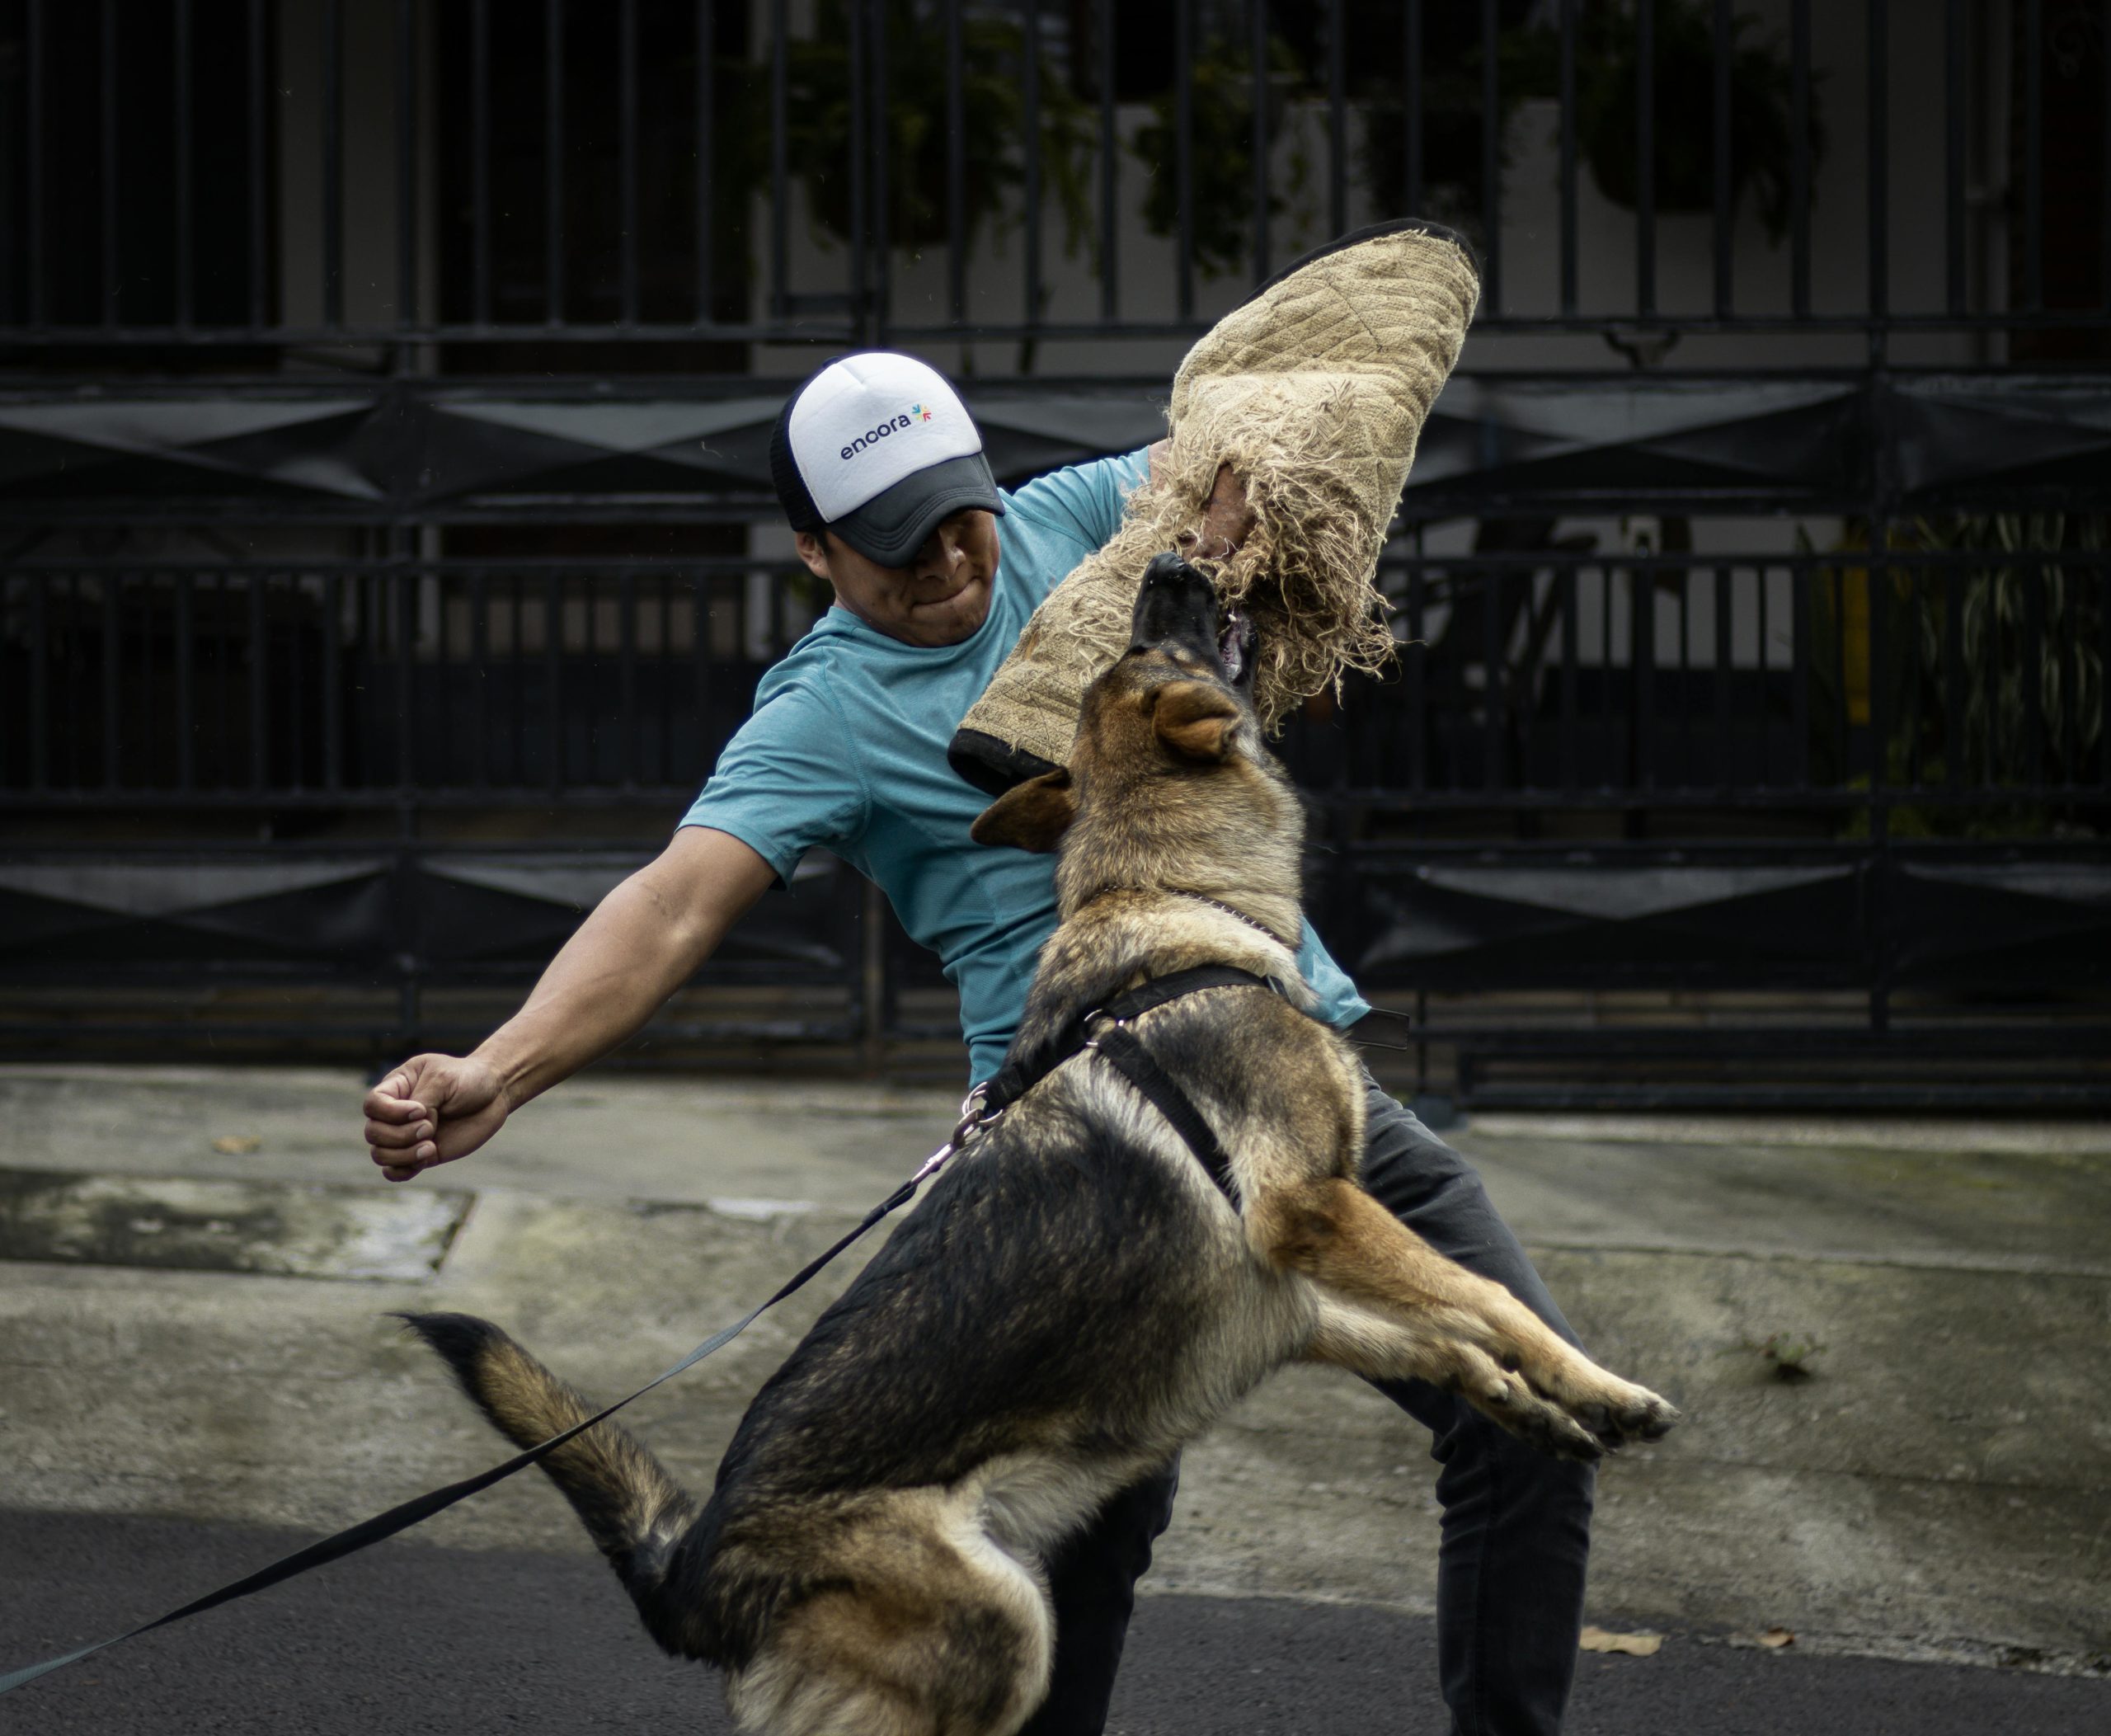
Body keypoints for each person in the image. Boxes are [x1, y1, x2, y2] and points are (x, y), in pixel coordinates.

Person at [364, 350, 1596, 1736]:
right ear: (815, 552)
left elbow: (1242, 457)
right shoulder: (824, 709)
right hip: (1079, 1145)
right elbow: (668, 906)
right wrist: (499, 1068)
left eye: (961, 512)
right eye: (899, 541)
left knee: (1530, 1407)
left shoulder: (1071, 517)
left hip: (1278, 1066)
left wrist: (1279, 481)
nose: (951, 554)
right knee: (1086, 1528)